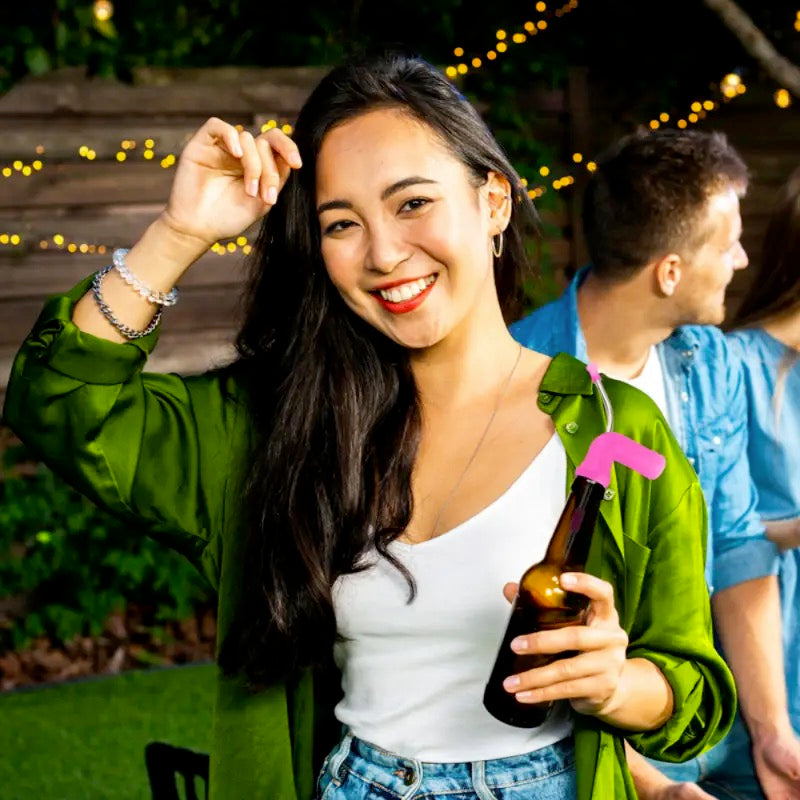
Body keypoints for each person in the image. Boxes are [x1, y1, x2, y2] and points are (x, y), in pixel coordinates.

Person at [3, 54, 734, 800]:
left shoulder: (618, 433)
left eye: (412, 203)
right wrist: (179, 232)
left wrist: (615, 684)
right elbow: (59, 402)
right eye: (342, 223)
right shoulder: (277, 427)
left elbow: (695, 693)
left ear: (492, 204)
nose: (383, 254)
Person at [509, 128, 786, 799]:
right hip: (590, 752)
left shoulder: (710, 361)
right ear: (670, 271)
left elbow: (738, 549)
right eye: (728, 246)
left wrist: (772, 730)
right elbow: (521, 629)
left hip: (716, 727)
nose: (743, 260)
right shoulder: (520, 377)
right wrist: (652, 785)